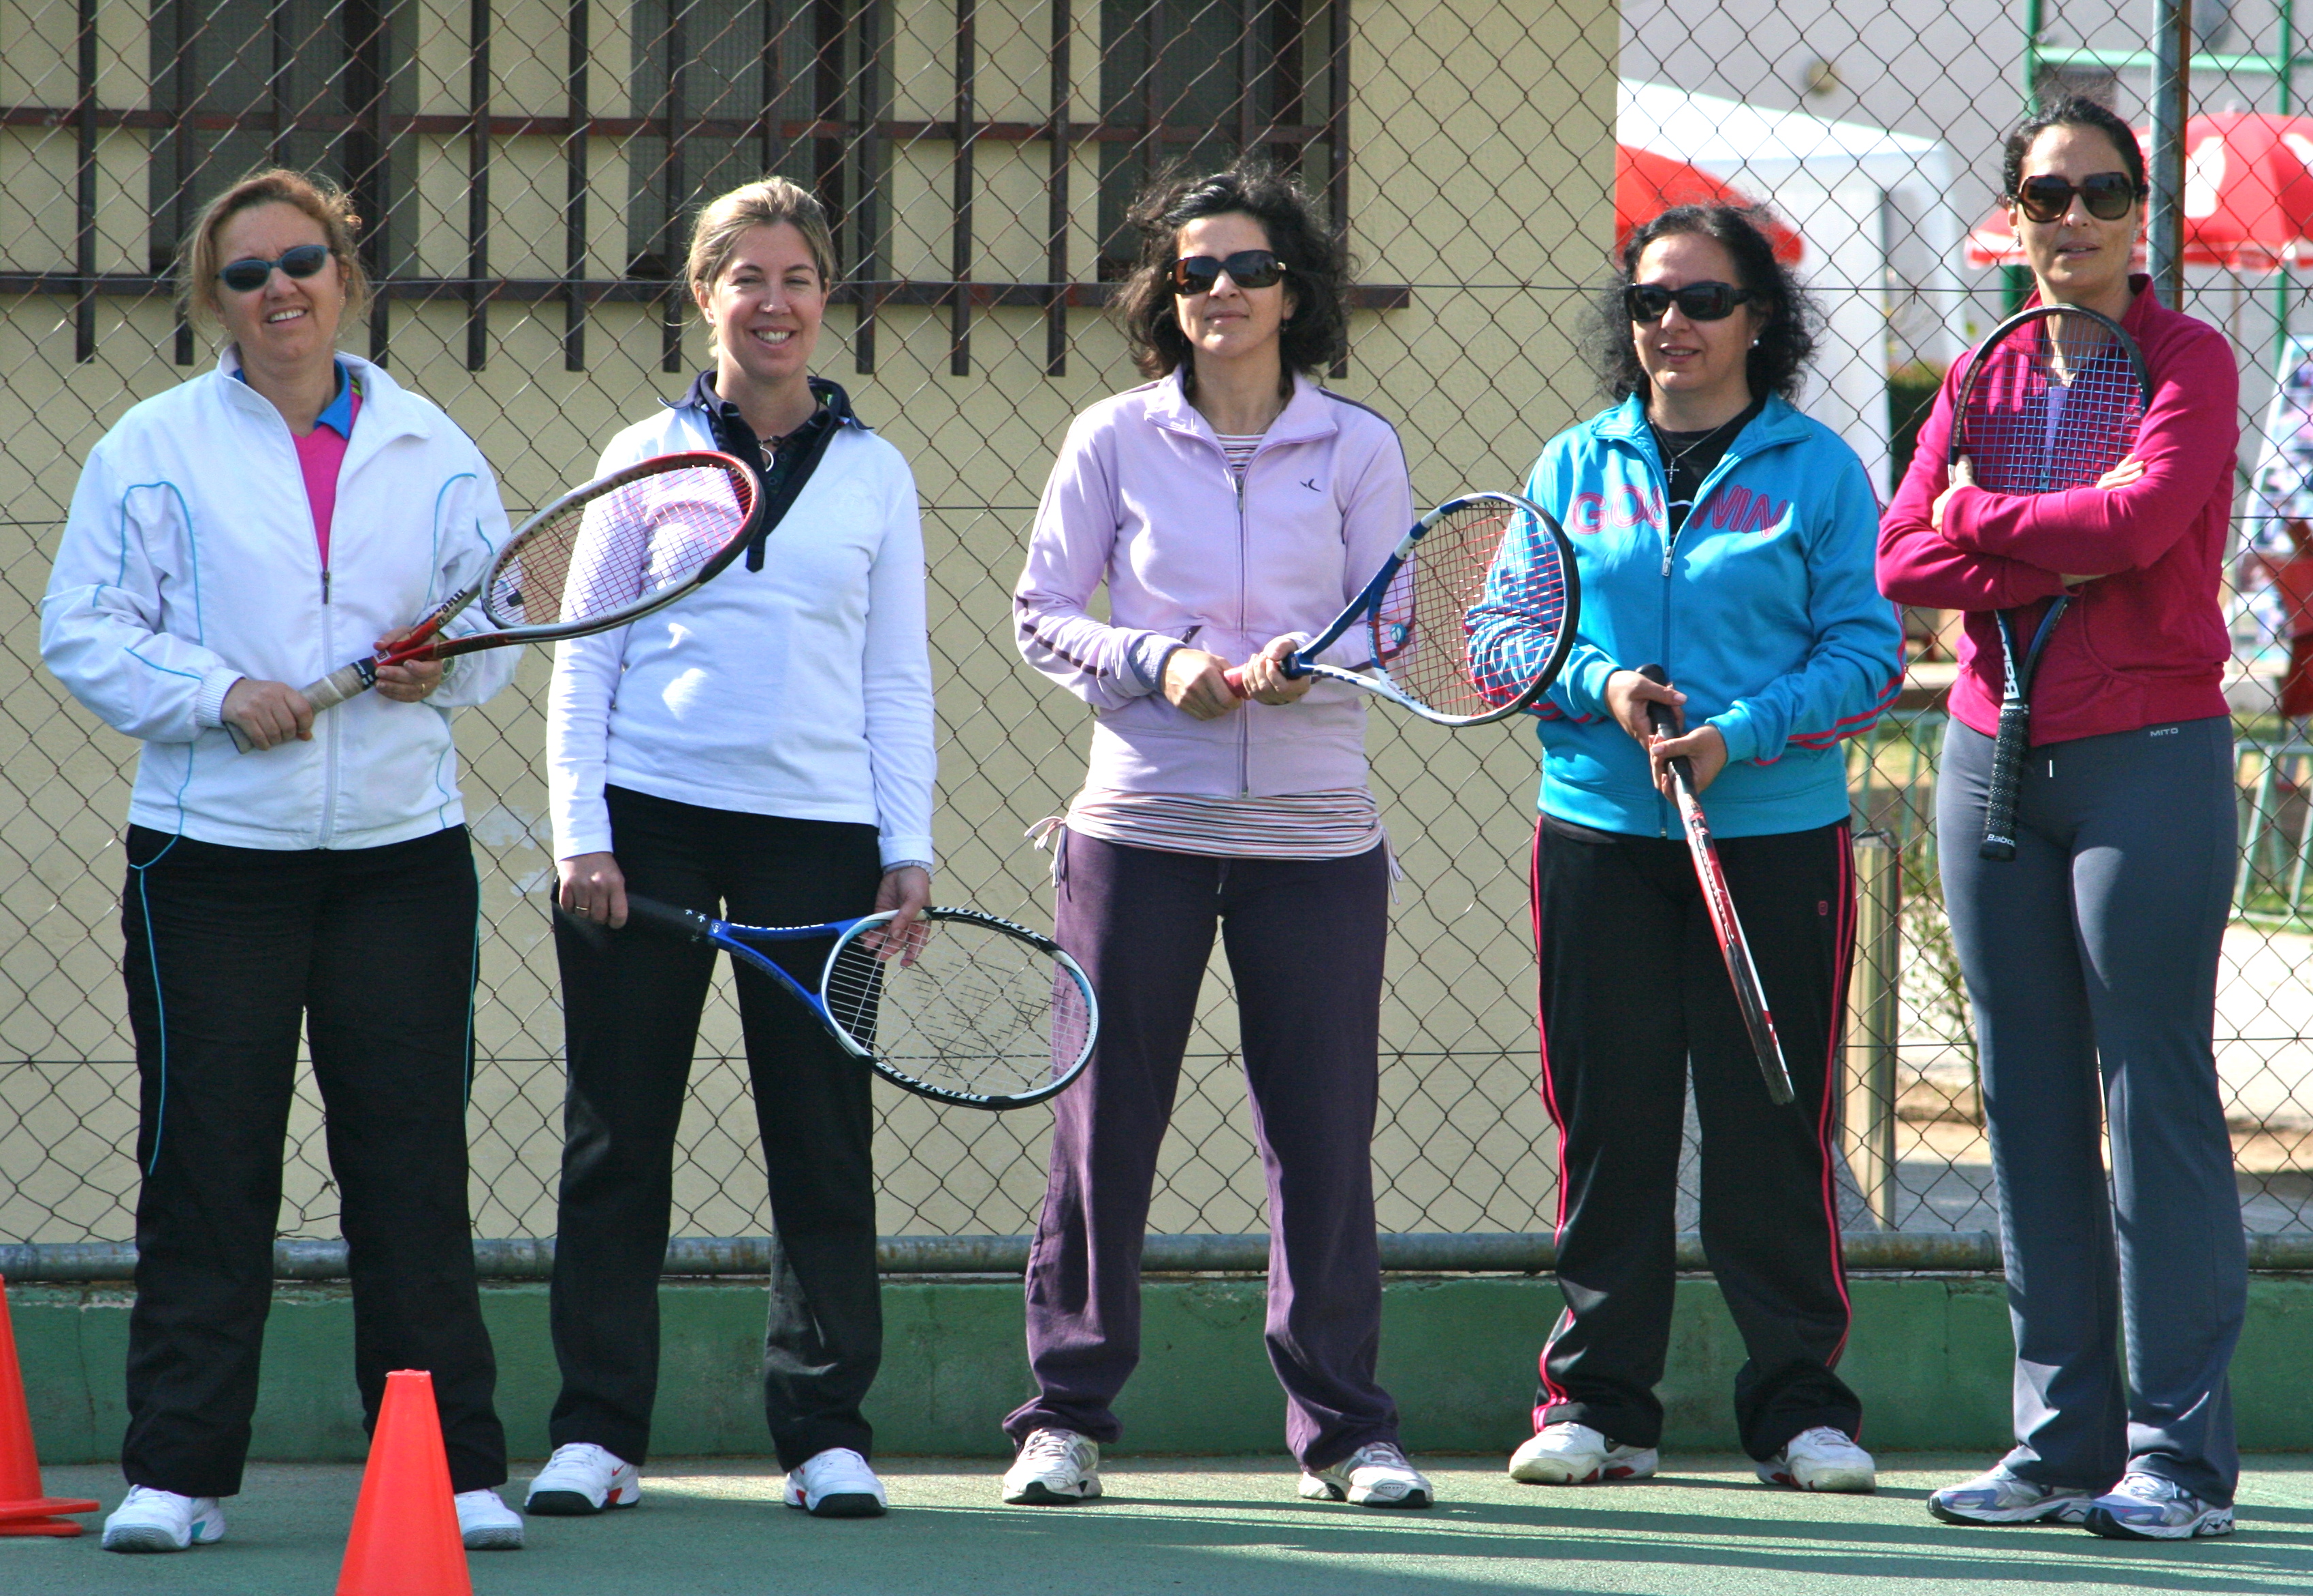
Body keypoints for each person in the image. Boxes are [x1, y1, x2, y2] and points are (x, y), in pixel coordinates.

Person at [39, 168, 523, 1554]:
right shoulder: (150, 446)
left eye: (301, 261)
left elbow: (490, 626)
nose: (279, 290)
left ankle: (449, 1470)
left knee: (409, 1163)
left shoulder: (431, 445)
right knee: (207, 1158)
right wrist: (216, 692)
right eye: (247, 273)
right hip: (210, 865)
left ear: (344, 276)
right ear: (217, 299)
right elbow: (84, 629)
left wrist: (441, 670)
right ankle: (176, 1474)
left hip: (401, 861)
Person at [1003, 162, 1432, 1511]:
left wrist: (1314, 658)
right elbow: (1041, 612)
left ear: (1293, 292)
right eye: (1196, 272)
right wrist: (1153, 660)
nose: (1223, 291)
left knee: (1323, 1140)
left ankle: (1347, 1431)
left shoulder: (1355, 446)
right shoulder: (1111, 438)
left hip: (1318, 844)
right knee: (1102, 1131)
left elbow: (1390, 622)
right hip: (1137, 830)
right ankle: (1063, 1419)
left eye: (1249, 269)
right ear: (1168, 295)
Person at [1470, 203, 1902, 1497]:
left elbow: (1867, 654)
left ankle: (1801, 1411)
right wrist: (1601, 684)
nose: (1673, 323)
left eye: (1704, 300)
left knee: (1774, 1127)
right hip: (1597, 837)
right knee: (1610, 1125)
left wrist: (1738, 733)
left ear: (1757, 319)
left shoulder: (1818, 469)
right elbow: (1502, 638)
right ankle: (1597, 1403)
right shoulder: (1573, 461)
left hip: (1771, 842)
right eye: (1650, 300)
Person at [532, 176, 933, 1522]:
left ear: (826, 297)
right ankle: (597, 1434)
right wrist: (582, 835)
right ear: (703, 296)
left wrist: (907, 847)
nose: (775, 301)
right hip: (642, 833)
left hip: (820, 843)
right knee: (616, 1135)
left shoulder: (876, 473)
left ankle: (823, 1434)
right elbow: (583, 661)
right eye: (747, 277)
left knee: (820, 1135)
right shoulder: (643, 454)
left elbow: (895, 677)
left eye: (798, 277)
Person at [1881, 97, 2248, 1542]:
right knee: (2025, 1100)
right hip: (1988, 756)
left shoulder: (2189, 357)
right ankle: (2054, 1448)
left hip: (2146, 757)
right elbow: (1898, 556)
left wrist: (1978, 521)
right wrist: (2037, 536)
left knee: (2152, 1095)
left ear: (2137, 212)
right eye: (2047, 195)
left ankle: (2178, 1462)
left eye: (2100, 193)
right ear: (2016, 216)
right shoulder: (1981, 369)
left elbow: (2140, 524)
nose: (2074, 217)